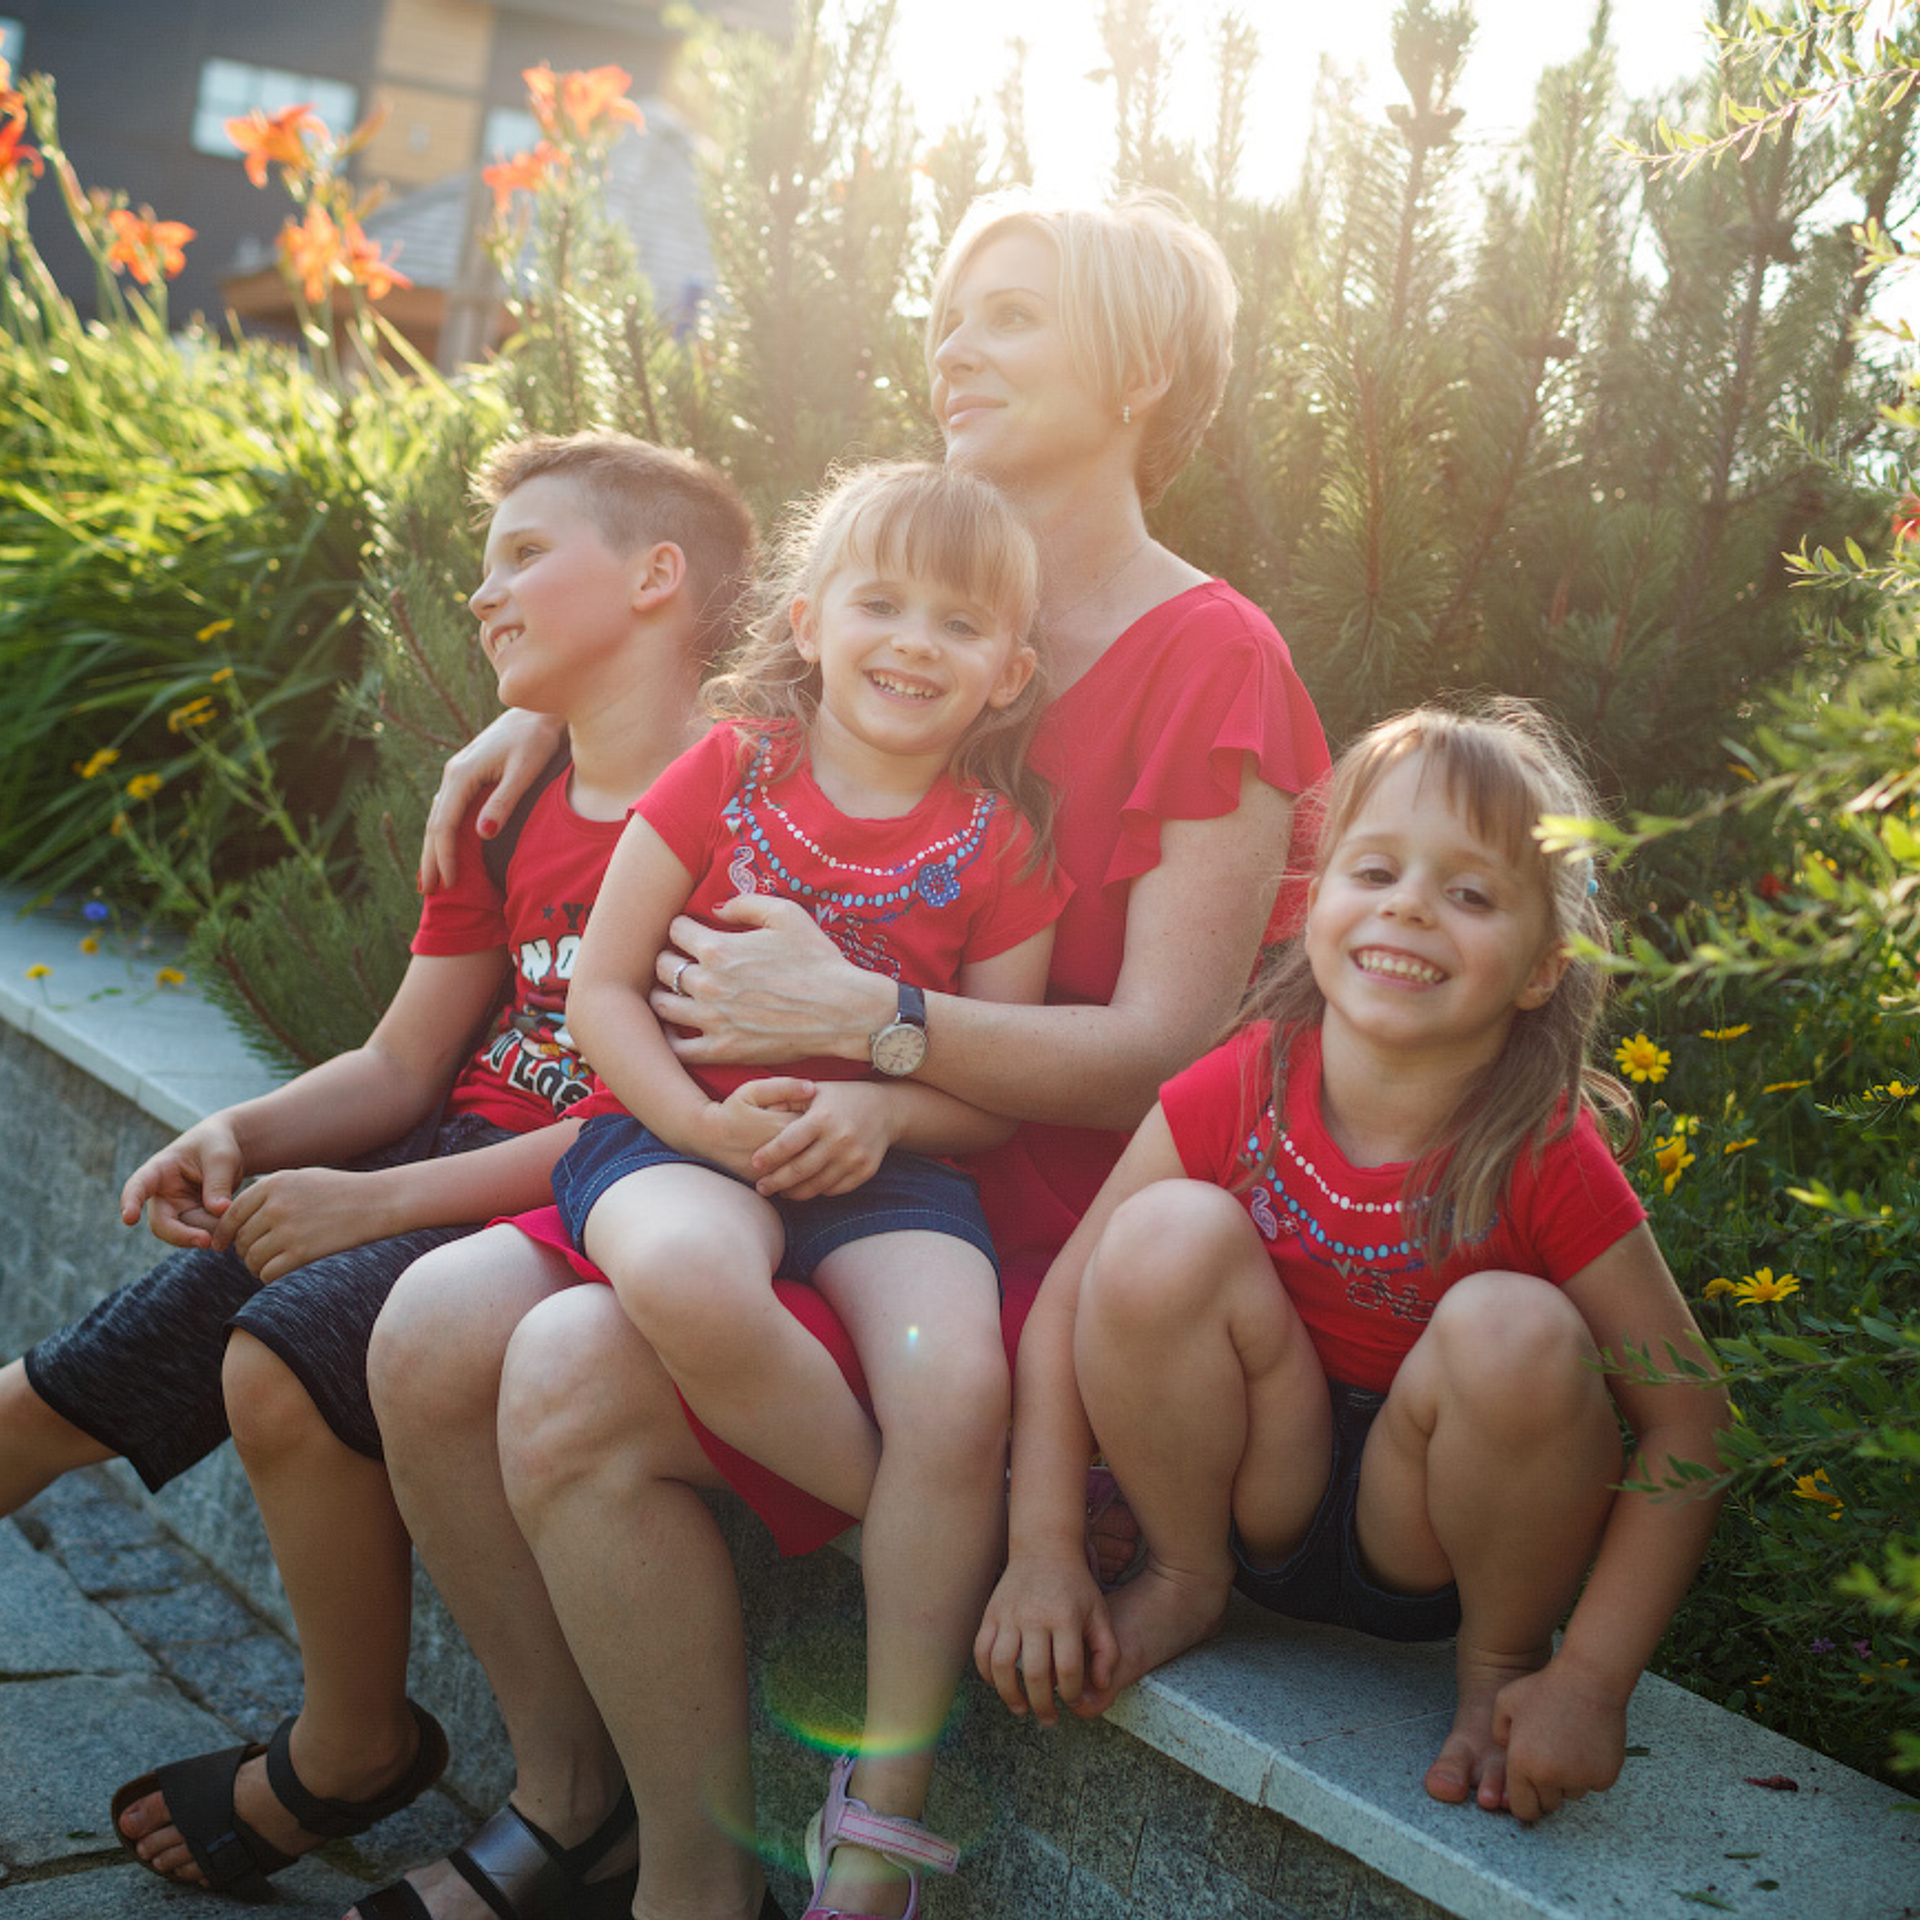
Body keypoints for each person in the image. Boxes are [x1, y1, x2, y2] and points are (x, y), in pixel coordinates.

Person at [368, 187, 1330, 1920]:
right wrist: (535, 705)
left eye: (1014, 315)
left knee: (570, 1377)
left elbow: (1174, 1046)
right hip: (773, 1147)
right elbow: (750, 700)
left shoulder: (1214, 658)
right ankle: (591, 1802)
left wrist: (872, 1026)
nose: (956, 345)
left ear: (1142, 366)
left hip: (1018, 1206)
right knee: (432, 1330)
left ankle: (713, 1861)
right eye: (950, 311)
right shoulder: (913, 592)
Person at [0, 428, 752, 1903]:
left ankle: (352, 1749)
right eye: (484, 566)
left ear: (662, 578)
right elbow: (407, 1063)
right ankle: (354, 1746)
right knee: (47, 1397)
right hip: (438, 1148)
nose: (484, 595)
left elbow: (668, 1116)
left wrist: (378, 1197)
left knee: (275, 1358)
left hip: (576, 1194)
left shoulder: (746, 809)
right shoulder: (512, 800)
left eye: (527, 554)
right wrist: (243, 1132)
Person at [974, 701, 1733, 1826]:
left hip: (1431, 1526)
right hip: (1252, 1488)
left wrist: (1589, 1679)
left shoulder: (1543, 1152)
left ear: (1540, 968)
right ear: (1317, 899)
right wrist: (1041, 1548)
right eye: (1374, 870)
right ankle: (1185, 1581)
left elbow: (1691, 1422)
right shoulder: (1246, 1079)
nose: (1410, 906)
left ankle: (1497, 1674)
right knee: (1158, 1236)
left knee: (1513, 1326)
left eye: (1470, 894)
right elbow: (1066, 1313)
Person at [527, 459, 1067, 1918]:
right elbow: (603, 993)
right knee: (692, 1274)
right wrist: (698, 1132)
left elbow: (993, 1088)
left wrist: (880, 1107)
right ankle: (924, 1532)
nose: (912, 642)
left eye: (959, 625)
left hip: (886, 1167)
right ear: (812, 619)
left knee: (958, 1382)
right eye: (880, 603)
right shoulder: (728, 769)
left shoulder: (1004, 847)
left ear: (1008, 671)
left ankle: (884, 1813)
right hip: (673, 1139)